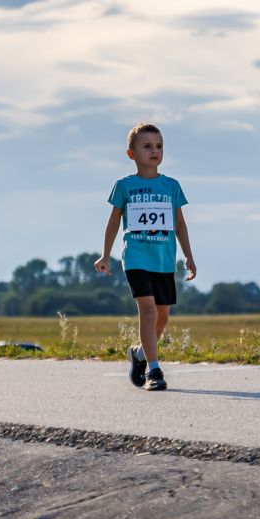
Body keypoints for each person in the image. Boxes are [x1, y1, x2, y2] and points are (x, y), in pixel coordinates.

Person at [94, 123, 196, 392]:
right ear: (132, 154)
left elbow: (180, 224)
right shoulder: (124, 186)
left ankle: (139, 353)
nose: (154, 151)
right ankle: (154, 370)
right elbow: (114, 222)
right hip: (136, 258)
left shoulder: (171, 186)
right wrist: (105, 254)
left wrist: (188, 255)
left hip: (163, 260)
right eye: (147, 146)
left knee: (162, 318)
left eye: (159, 146)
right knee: (148, 312)